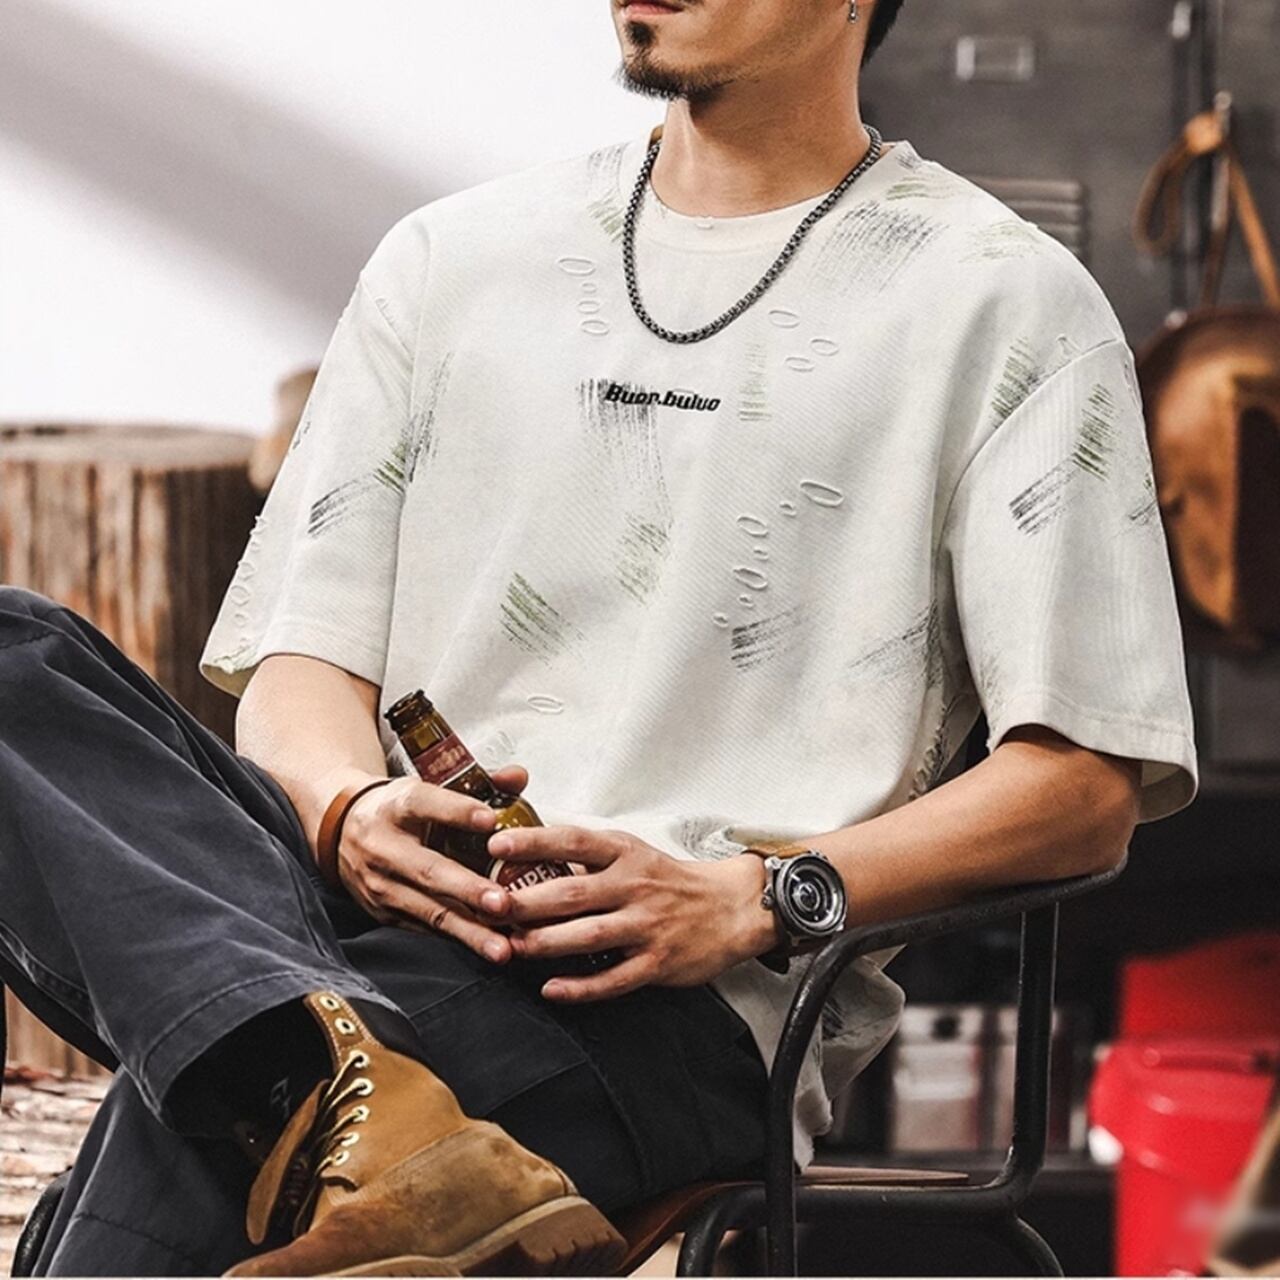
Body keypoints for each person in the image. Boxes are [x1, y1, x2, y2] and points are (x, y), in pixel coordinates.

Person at [0, 0, 1198, 1273]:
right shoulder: (449, 259)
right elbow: (306, 666)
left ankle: (314, 1074)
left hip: (661, 1002)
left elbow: (1082, 788)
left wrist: (757, 895)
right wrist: (348, 809)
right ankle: (331, 1072)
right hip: (350, 925)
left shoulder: (1005, 302)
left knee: (184, 1159)